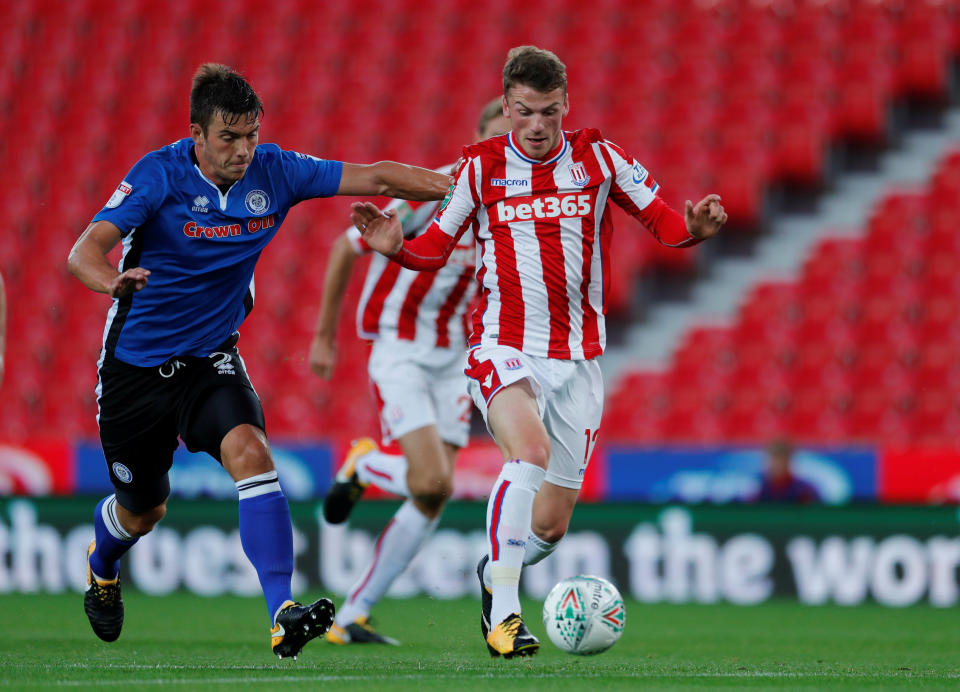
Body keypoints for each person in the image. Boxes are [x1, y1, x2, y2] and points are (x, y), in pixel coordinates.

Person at [66, 63, 451, 659]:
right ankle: (103, 563)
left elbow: (375, 176)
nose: (244, 150)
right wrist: (112, 282)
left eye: (251, 135)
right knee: (143, 512)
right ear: (197, 134)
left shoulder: (277, 171)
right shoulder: (158, 174)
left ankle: (282, 614)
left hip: (209, 359)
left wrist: (466, 188)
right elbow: (83, 251)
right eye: (229, 137)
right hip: (135, 370)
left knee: (253, 452)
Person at [354, 46, 728, 658]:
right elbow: (434, 251)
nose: (535, 125)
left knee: (549, 527)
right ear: (507, 107)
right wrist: (397, 248)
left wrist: (696, 231)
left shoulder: (601, 158)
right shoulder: (478, 169)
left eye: (549, 113)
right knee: (525, 452)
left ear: (566, 107)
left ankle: (491, 573)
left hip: (578, 359)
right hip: (502, 343)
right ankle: (505, 616)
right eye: (524, 111)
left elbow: (664, 221)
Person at [309, 98, 511, 646]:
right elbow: (344, 247)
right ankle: (366, 464)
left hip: (454, 360)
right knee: (431, 480)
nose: (507, 147)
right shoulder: (441, 190)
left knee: (432, 496)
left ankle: (352, 615)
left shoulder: (516, 203)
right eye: (497, 135)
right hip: (400, 347)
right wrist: (325, 336)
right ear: (477, 137)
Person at [753, 438, 821, 503]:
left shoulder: (804, 490)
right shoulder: (759, 488)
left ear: (789, 460)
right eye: (774, 459)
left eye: (782, 458)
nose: (778, 464)